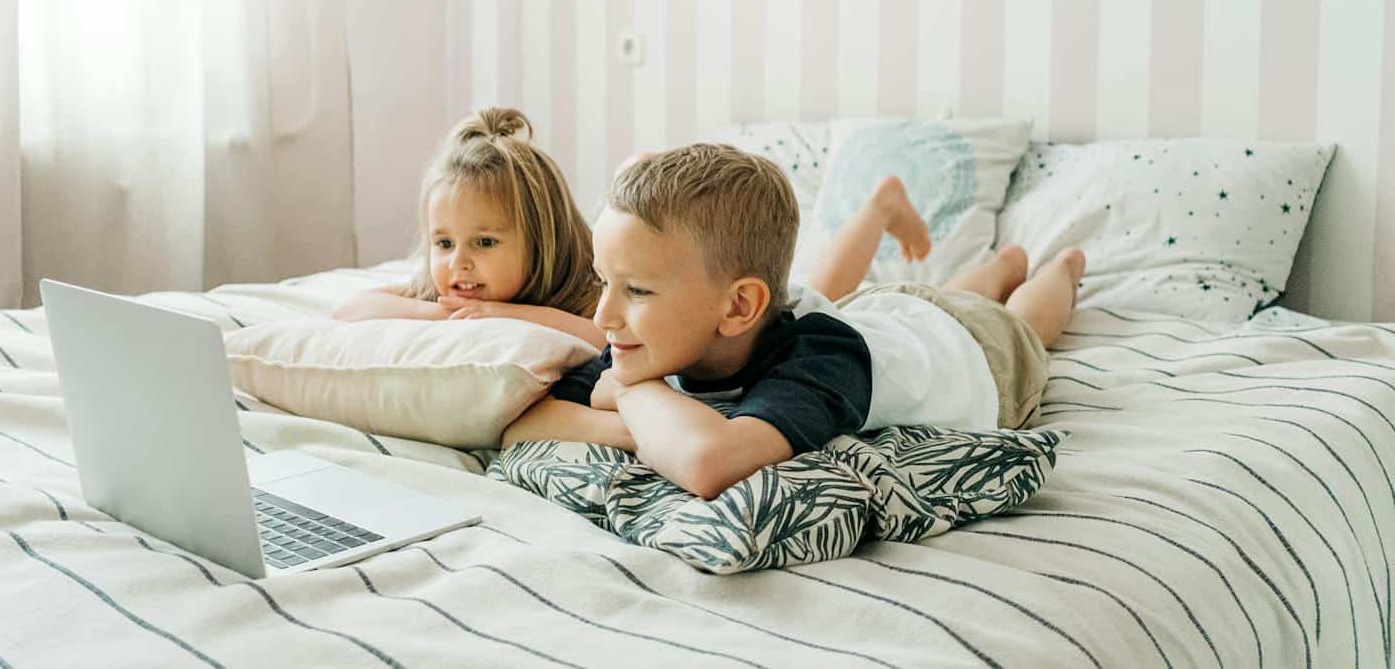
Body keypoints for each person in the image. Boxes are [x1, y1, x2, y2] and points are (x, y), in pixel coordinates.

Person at [502, 143, 1084, 499]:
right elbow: (522, 425)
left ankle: (1057, 267)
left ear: (738, 307)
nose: (603, 316)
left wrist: (630, 393)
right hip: (883, 317)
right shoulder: (644, 335)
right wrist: (645, 426)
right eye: (606, 282)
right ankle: (987, 257)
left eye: (637, 290)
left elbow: (709, 463)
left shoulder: (823, 358)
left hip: (973, 351)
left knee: (1024, 322)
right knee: (936, 292)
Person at [328, 107, 604, 349]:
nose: (458, 262)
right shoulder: (442, 296)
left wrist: (507, 314)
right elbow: (349, 309)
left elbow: (606, 338)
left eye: (484, 242)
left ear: (543, 240)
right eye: (444, 244)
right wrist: (458, 314)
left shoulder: (591, 292)